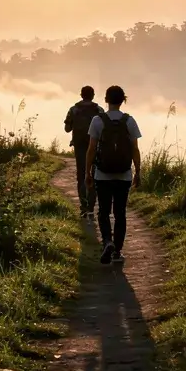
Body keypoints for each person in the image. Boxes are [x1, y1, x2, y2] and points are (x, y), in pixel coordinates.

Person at [85, 85, 142, 264]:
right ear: (123, 99)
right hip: (124, 175)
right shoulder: (129, 121)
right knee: (120, 213)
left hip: (102, 175)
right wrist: (137, 172)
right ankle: (117, 251)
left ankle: (107, 242)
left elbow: (91, 149)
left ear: (106, 100)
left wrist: (87, 172)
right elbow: (135, 149)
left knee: (103, 212)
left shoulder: (97, 120)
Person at [64, 85, 103, 216]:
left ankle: (83, 205)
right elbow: (105, 129)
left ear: (81, 95)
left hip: (79, 146)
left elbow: (67, 128)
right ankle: (92, 205)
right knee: (94, 174)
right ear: (93, 95)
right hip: (95, 146)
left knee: (81, 175)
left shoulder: (73, 109)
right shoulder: (99, 110)